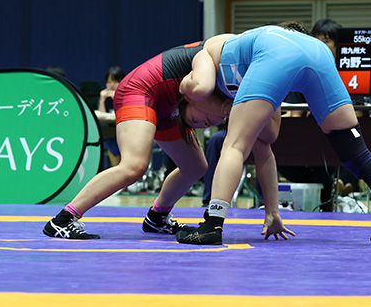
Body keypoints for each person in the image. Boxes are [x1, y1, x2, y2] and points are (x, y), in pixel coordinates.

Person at [176, 23, 371, 246]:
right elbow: (268, 139)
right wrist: (272, 212)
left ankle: (212, 225)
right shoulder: (262, 49)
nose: (203, 123)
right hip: (319, 55)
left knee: (234, 145)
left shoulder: (206, 53)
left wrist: (183, 86)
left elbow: (200, 88)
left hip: (276, 55)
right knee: (356, 151)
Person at [43, 41, 233, 239]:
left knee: (195, 167)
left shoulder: (233, 61)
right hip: (140, 90)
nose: (206, 125)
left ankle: (157, 217)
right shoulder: (225, 53)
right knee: (134, 165)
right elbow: (201, 92)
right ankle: (63, 220)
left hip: (170, 104)